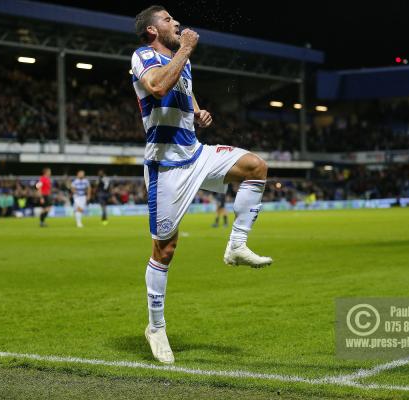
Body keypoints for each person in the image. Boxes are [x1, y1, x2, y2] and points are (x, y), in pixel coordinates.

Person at [132, 5, 273, 364]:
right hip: (165, 166)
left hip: (196, 153)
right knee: (164, 249)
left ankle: (236, 246)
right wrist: (186, 49)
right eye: (167, 20)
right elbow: (159, 86)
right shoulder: (143, 55)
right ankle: (156, 326)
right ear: (151, 31)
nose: (175, 23)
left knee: (256, 167)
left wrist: (197, 110)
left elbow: (179, 86)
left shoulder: (182, 60)